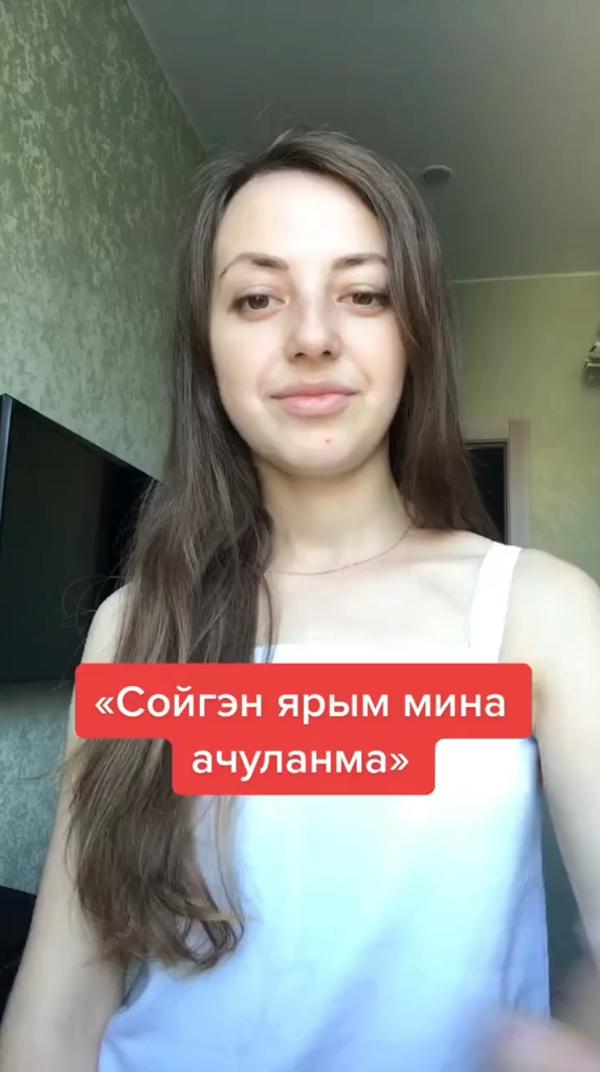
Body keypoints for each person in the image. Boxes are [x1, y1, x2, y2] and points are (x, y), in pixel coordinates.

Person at [1, 128, 600, 1072]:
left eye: (364, 294)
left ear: (415, 333)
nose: (313, 336)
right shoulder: (134, 627)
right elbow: (56, 1013)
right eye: (257, 298)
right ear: (207, 348)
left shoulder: (539, 613)